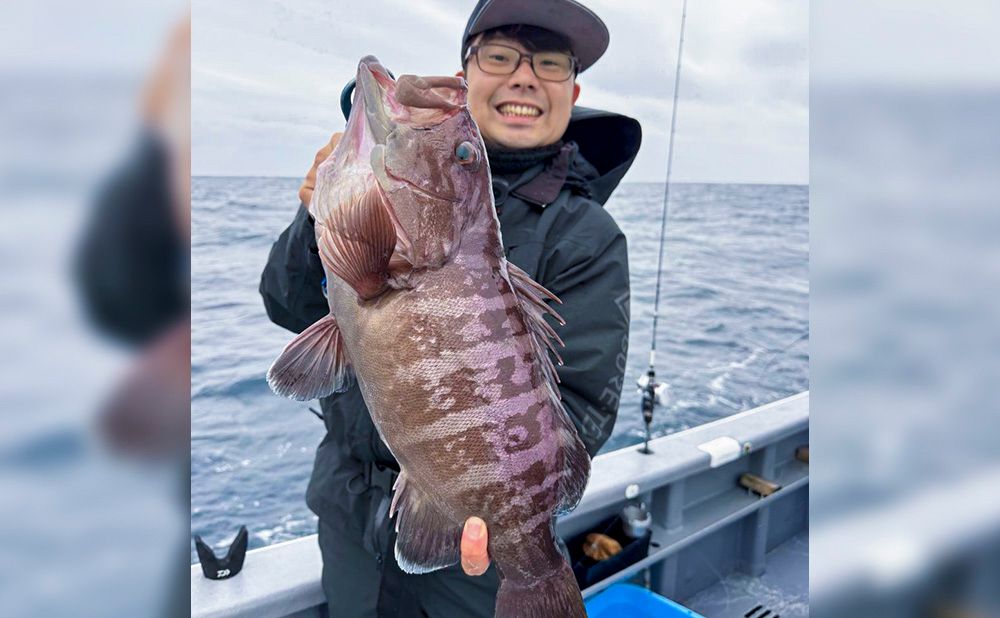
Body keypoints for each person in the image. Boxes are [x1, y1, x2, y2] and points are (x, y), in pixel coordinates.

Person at [259, 0, 641, 615]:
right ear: (466, 74)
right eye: (500, 56)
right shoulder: (381, 201)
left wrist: (510, 516)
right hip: (349, 514)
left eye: (549, 64)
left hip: (478, 550)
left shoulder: (587, 235)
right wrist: (315, 220)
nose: (524, 77)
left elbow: (583, 402)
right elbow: (286, 305)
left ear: (572, 92)